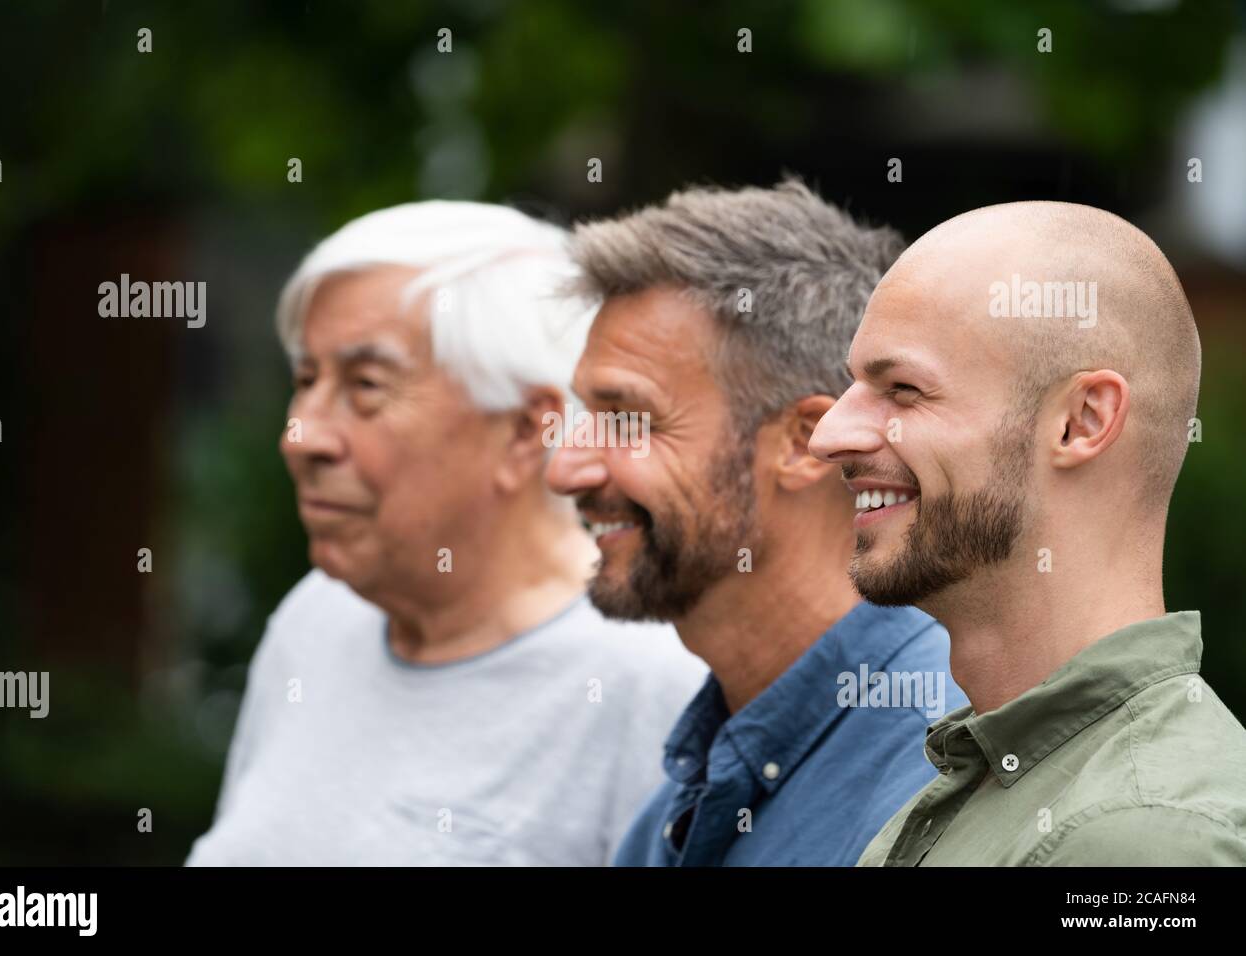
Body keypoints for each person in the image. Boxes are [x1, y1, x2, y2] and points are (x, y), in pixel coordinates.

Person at [187, 201, 706, 866]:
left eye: (365, 386)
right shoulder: (317, 619)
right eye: (306, 380)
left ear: (526, 431)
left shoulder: (651, 683)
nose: (302, 437)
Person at [809, 200, 1246, 865]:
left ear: (1081, 421)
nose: (829, 434)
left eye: (901, 388)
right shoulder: (981, 777)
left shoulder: (1142, 835)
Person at [546, 180, 964, 865]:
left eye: (628, 418)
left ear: (804, 442)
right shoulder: (673, 814)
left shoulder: (944, 777)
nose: (567, 470)